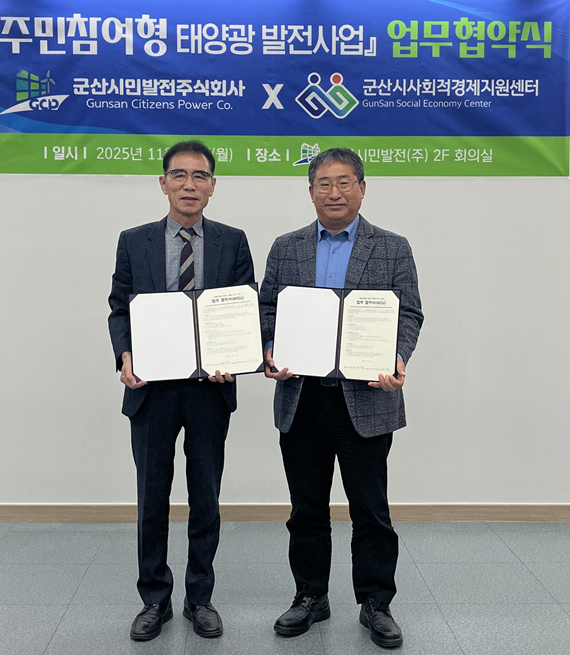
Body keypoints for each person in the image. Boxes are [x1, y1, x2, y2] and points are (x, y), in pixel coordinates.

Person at [260, 147, 423, 649]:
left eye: (344, 182)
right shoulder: (286, 247)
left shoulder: (392, 247)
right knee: (306, 508)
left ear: (362, 188)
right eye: (324, 184)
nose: (334, 192)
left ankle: (376, 602)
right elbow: (267, 309)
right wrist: (269, 349)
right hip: (302, 398)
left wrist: (398, 358)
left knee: (370, 510)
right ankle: (311, 595)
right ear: (310, 191)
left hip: (367, 398)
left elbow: (409, 313)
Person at [108, 140, 254, 641]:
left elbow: (244, 308)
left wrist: (236, 358)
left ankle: (200, 598)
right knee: (152, 498)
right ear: (163, 182)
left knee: (205, 497)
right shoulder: (135, 241)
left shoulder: (233, 242)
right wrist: (125, 356)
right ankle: (154, 599)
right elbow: (119, 309)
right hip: (152, 389)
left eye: (200, 176)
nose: (189, 184)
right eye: (179, 175)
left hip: (209, 390)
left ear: (212, 186)